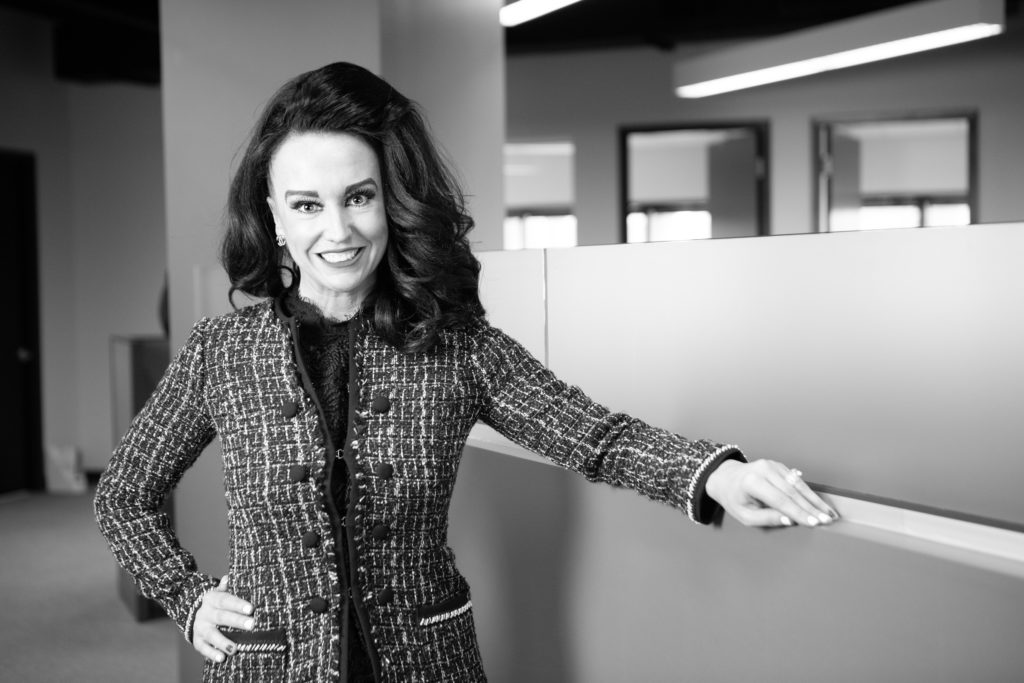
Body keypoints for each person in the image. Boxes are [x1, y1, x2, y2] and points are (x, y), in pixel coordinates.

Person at [95, 62, 837, 683]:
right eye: (307, 204)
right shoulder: (220, 351)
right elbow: (123, 494)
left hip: (429, 660)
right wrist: (188, 598)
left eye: (358, 197)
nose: (338, 229)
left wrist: (717, 475)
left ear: (391, 197)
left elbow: (593, 434)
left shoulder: (455, 345)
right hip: (265, 666)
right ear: (275, 214)